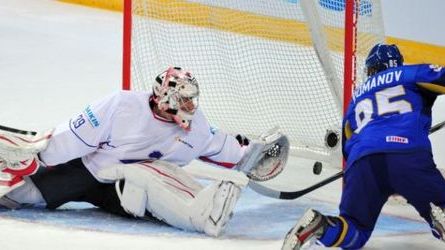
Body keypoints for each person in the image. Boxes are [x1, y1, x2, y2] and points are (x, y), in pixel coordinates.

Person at [0, 66, 288, 237]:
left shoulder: (196, 126)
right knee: (22, 195)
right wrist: (35, 159)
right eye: (185, 100)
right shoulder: (122, 105)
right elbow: (73, 138)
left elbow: (223, 148)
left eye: (192, 100)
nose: (191, 107)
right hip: (85, 169)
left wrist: (250, 155)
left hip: (125, 186)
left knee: (152, 176)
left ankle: (203, 214)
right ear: (166, 98)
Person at [282, 43, 445, 249]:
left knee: (354, 232)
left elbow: (348, 146)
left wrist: (379, 180)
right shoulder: (409, 73)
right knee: (439, 204)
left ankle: (320, 225)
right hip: (406, 154)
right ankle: (439, 211)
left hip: (361, 163)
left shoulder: (356, 98)